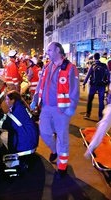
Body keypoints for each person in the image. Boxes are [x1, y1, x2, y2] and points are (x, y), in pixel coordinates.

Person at [30, 42, 80, 177]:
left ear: (58, 50)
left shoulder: (70, 68)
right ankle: (54, 150)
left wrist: (72, 106)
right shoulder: (47, 66)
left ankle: (62, 165)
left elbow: (75, 89)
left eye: (50, 50)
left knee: (62, 138)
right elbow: (40, 84)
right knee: (45, 133)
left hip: (61, 110)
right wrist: (35, 99)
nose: (48, 53)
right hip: (45, 107)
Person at [83, 53, 110, 121]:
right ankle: (100, 117)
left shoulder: (93, 65)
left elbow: (88, 75)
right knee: (101, 101)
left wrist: (84, 83)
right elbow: (108, 75)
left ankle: (88, 114)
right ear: (99, 57)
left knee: (90, 99)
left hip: (93, 85)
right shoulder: (104, 65)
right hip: (102, 85)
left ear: (94, 58)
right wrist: (108, 83)